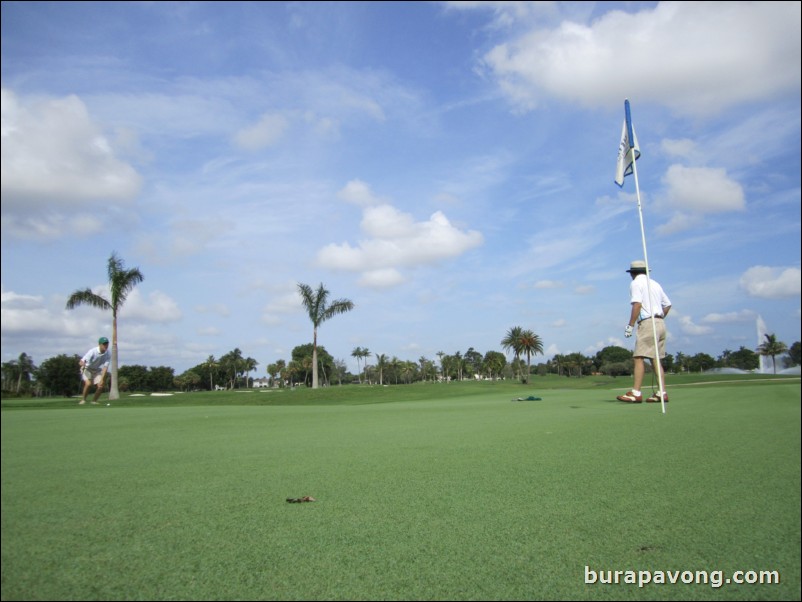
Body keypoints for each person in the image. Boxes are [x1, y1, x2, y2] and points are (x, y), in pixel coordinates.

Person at [617, 261, 672, 404]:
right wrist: (658, 318)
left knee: (639, 357)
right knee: (655, 358)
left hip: (647, 322)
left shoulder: (636, 283)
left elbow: (637, 304)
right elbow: (667, 305)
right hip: (660, 322)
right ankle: (662, 392)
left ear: (633, 273)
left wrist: (630, 325)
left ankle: (636, 393)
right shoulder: (655, 284)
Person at [79, 337, 111, 405]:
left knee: (101, 385)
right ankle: (83, 400)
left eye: (107, 344)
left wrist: (102, 379)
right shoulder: (92, 351)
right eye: (104, 344)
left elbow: (105, 367)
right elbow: (81, 361)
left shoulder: (108, 353)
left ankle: (94, 401)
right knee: (88, 384)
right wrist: (83, 364)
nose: (106, 345)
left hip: (96, 370)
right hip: (86, 368)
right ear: (99, 344)